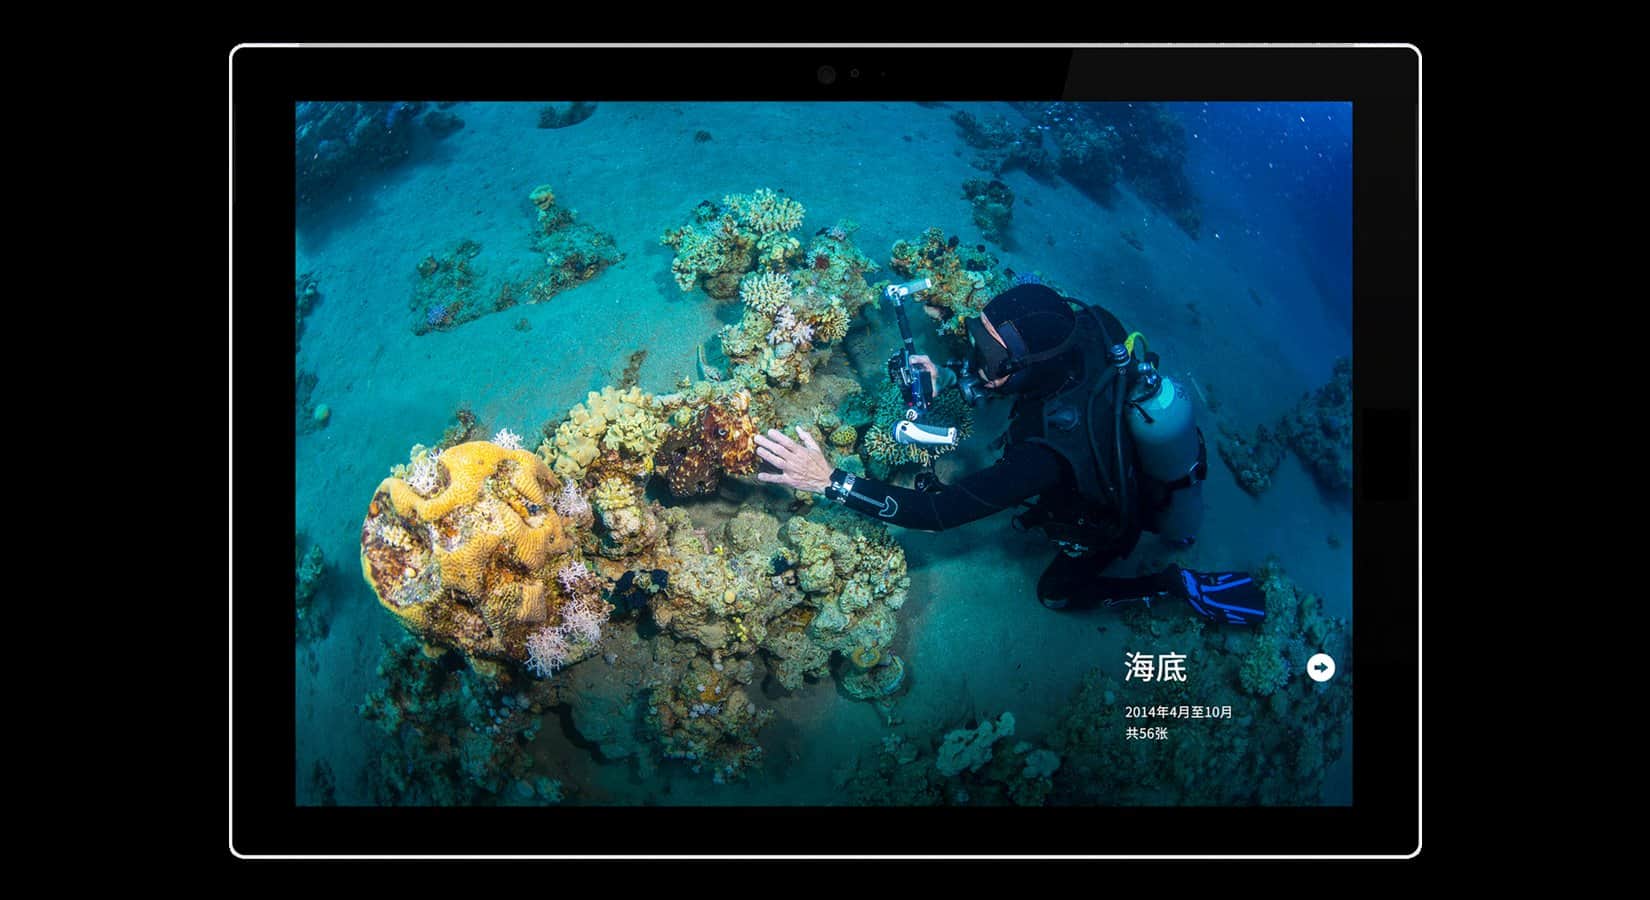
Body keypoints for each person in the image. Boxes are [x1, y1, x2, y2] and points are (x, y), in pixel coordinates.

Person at [753, 282, 1265, 625]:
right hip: (1110, 429)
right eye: (977, 336)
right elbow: (1011, 369)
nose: (978, 356)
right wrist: (952, 374)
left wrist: (827, 480)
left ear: (1031, 367)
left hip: (1114, 515)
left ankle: (1173, 585)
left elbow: (936, 514)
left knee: (1056, 595)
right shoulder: (1086, 327)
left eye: (992, 356)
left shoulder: (1046, 453)